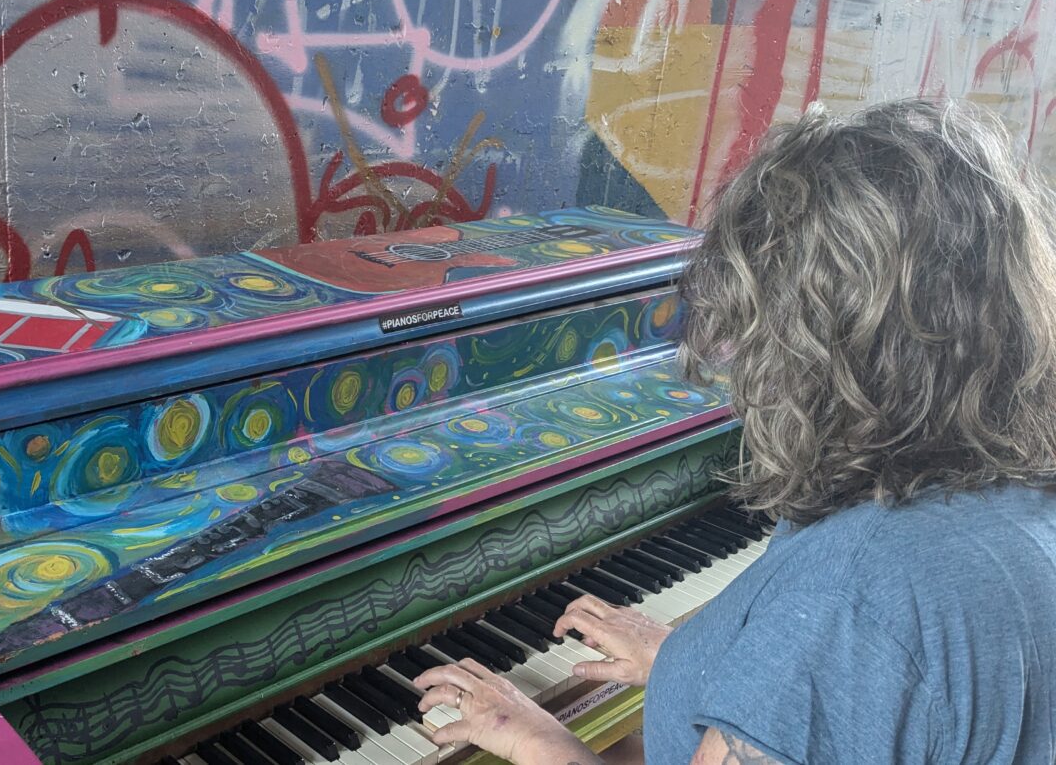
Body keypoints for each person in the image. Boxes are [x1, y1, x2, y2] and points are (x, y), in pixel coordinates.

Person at [413, 98, 1056, 764]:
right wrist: (699, 662)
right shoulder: (1021, 495)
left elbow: (852, 651)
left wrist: (538, 738)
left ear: (807, 338)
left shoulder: (852, 597)